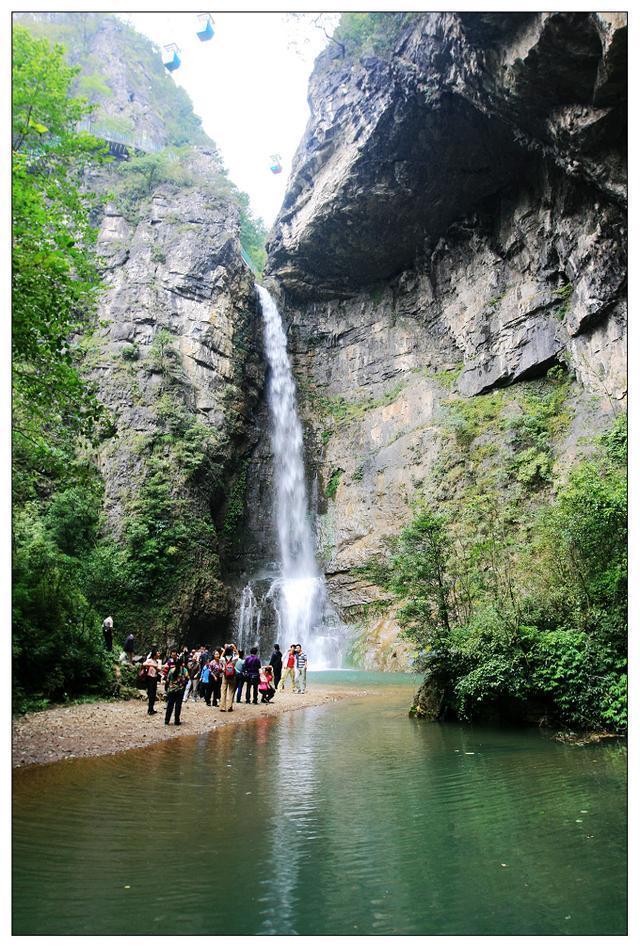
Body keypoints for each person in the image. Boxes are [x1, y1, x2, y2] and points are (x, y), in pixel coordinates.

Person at [165, 655, 187, 725]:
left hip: (171, 690)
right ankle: (176, 721)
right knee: (178, 705)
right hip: (180, 690)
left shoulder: (171, 670)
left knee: (170, 705)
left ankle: (167, 720)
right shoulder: (184, 670)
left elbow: (167, 680)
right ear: (181, 663)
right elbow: (187, 679)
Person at [143, 647, 162, 715]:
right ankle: (150, 709)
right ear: (154, 654)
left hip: (154, 679)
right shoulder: (149, 660)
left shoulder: (159, 661)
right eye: (157, 652)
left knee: (153, 694)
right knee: (151, 694)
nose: (159, 654)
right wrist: (152, 665)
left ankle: (151, 708)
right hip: (149, 678)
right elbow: (144, 664)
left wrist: (154, 666)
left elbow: (159, 669)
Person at [219, 646, 237, 711]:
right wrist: (234, 648)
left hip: (225, 676)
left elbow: (220, 657)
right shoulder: (234, 658)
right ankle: (230, 707)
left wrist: (224, 650)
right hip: (232, 676)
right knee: (231, 691)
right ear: (232, 651)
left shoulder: (223, 659)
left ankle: (223, 707)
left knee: (223, 691)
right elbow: (238, 655)